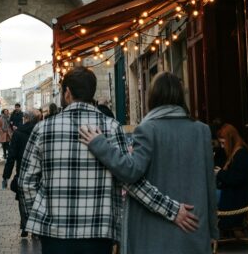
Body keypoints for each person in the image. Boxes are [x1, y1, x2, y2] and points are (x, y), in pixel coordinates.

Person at [20, 66, 198, 254]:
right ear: (92, 92)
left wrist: (37, 219)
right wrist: (172, 210)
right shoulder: (111, 127)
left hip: (53, 233)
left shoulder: (43, 129)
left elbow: (26, 182)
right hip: (98, 232)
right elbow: (131, 181)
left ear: (67, 93)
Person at [80, 70, 217, 254]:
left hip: (155, 231)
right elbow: (210, 183)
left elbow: (130, 172)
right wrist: (213, 230)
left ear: (152, 97)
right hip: (193, 226)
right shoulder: (202, 130)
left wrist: (100, 145)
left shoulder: (147, 129)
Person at [3, 111, 41, 237]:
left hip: (22, 170)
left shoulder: (18, 133)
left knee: (22, 197)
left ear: (25, 119)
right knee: (37, 198)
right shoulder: (41, 131)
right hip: (39, 171)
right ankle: (35, 227)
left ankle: (25, 225)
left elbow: (11, 156)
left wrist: (6, 176)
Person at [215, 124, 248, 226]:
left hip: (235, 197)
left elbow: (236, 178)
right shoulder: (237, 153)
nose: (222, 146)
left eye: (223, 143)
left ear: (230, 140)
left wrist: (219, 173)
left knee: (203, 198)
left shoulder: (242, 154)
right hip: (231, 194)